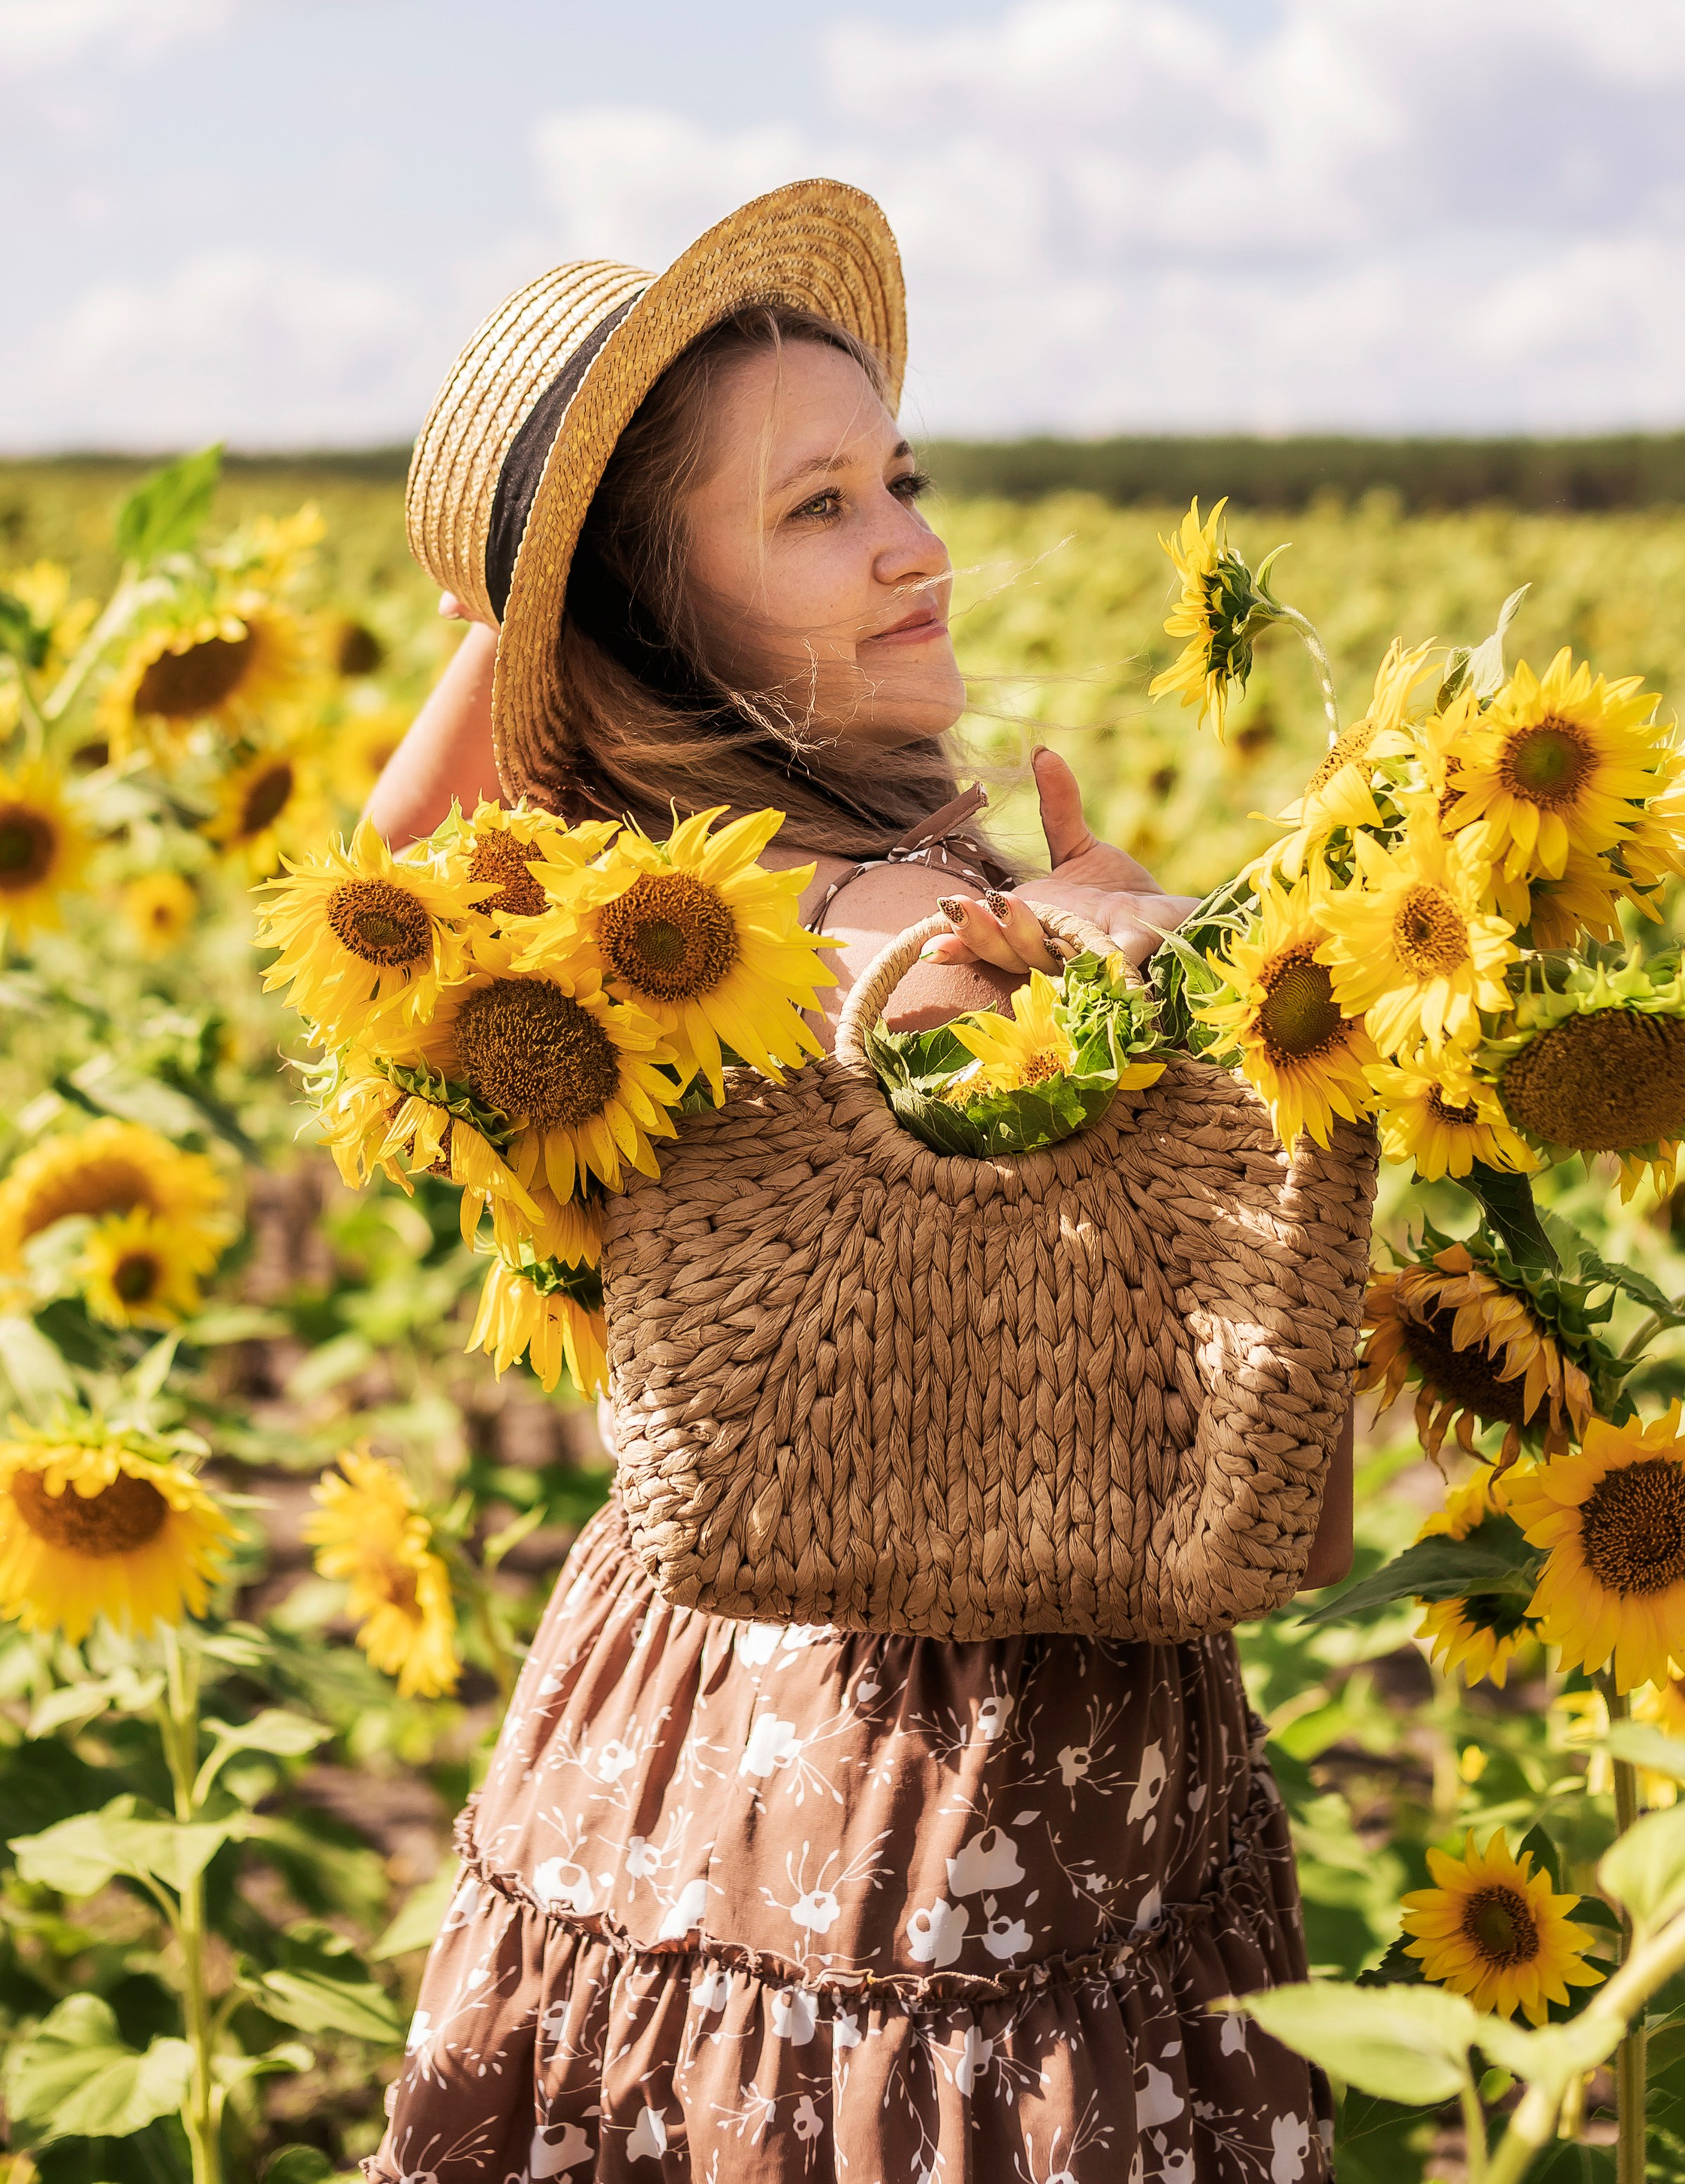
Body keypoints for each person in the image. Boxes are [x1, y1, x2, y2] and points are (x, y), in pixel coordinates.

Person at [366, 180, 1353, 2183]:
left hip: (679, 1704)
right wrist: (1174, 994)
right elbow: (1211, 1358)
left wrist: (517, 614)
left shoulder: (648, 900)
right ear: (657, 612)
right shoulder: (869, 930)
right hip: (938, 1774)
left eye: (898, 478)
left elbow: (388, 867)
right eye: (816, 509)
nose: (914, 544)